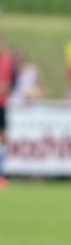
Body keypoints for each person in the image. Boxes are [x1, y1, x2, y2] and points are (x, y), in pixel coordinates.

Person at [0, 33, 13, 188]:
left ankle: (1, 174)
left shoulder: (7, 61)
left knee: (3, 140)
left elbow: (7, 86)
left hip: (1, 105)